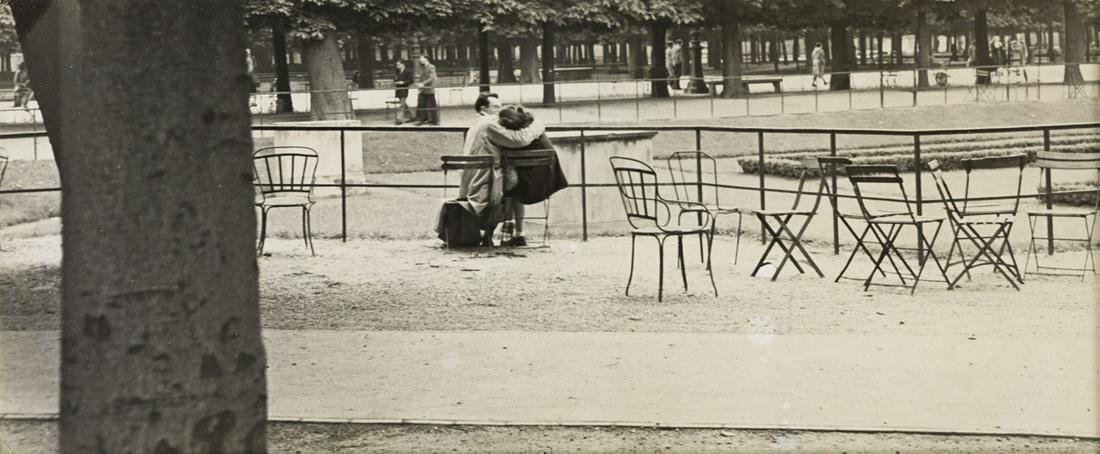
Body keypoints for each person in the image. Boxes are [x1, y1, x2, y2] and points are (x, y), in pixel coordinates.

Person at [447, 92, 546, 246]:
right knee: (517, 184)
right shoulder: (490, 124)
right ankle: (516, 232)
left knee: (512, 182)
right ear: (483, 108)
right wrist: (538, 125)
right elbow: (519, 139)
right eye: (495, 107)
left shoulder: (476, 125)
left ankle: (506, 229)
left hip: (475, 175)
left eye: (500, 106)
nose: (499, 111)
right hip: (487, 177)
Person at [496, 106, 568, 246]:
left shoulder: (512, 137)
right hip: (546, 181)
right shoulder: (536, 131)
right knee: (514, 184)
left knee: (507, 183)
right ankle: (519, 232)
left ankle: (508, 224)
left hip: (518, 187)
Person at [414, 54, 439, 125]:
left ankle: (434, 121)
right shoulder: (422, 67)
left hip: (429, 89)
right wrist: (419, 84)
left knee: (431, 105)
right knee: (422, 104)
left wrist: (423, 84)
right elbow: (422, 77)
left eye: (421, 58)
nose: (420, 60)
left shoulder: (431, 67)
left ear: (426, 59)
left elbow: (431, 78)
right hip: (423, 89)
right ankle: (423, 119)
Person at [392, 60, 414, 124]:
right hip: (398, 90)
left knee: (402, 104)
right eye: (397, 65)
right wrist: (395, 81)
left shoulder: (408, 71)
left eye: (398, 65)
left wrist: (403, 82)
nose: (397, 66)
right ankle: (412, 116)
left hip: (404, 89)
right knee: (404, 104)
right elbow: (395, 78)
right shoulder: (397, 71)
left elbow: (411, 80)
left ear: (403, 64)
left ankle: (399, 119)